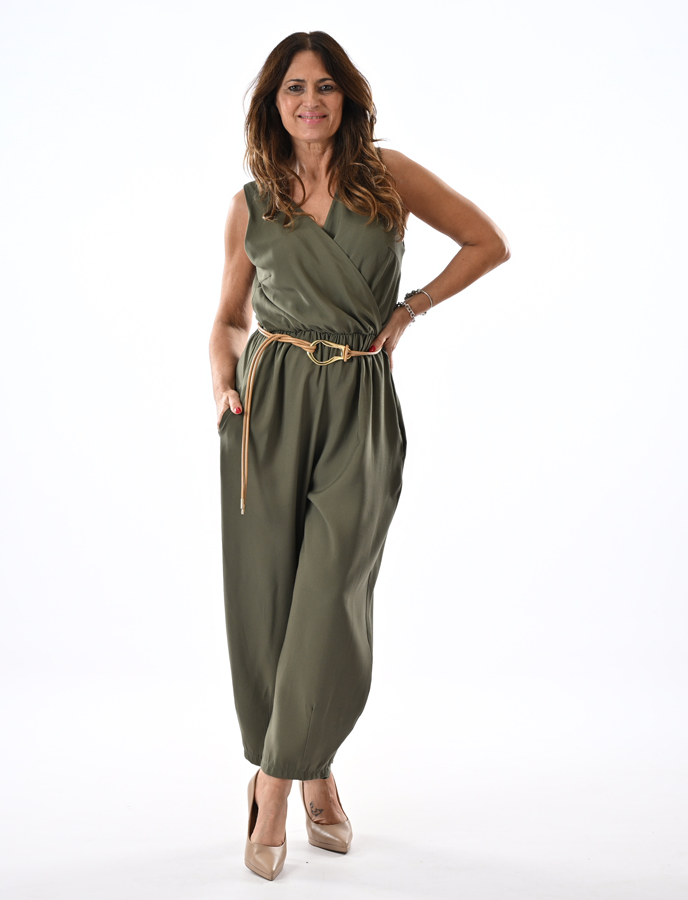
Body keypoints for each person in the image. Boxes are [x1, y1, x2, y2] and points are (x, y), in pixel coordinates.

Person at [208, 31, 510, 881]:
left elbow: (487, 242)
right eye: (294, 88)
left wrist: (411, 309)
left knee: (330, 598)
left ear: (348, 97)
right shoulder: (251, 202)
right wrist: (222, 379)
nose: (311, 101)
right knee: (268, 601)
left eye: (326, 86)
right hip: (268, 407)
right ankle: (317, 773)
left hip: (359, 399)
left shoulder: (389, 176)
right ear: (273, 103)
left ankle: (271, 787)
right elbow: (228, 318)